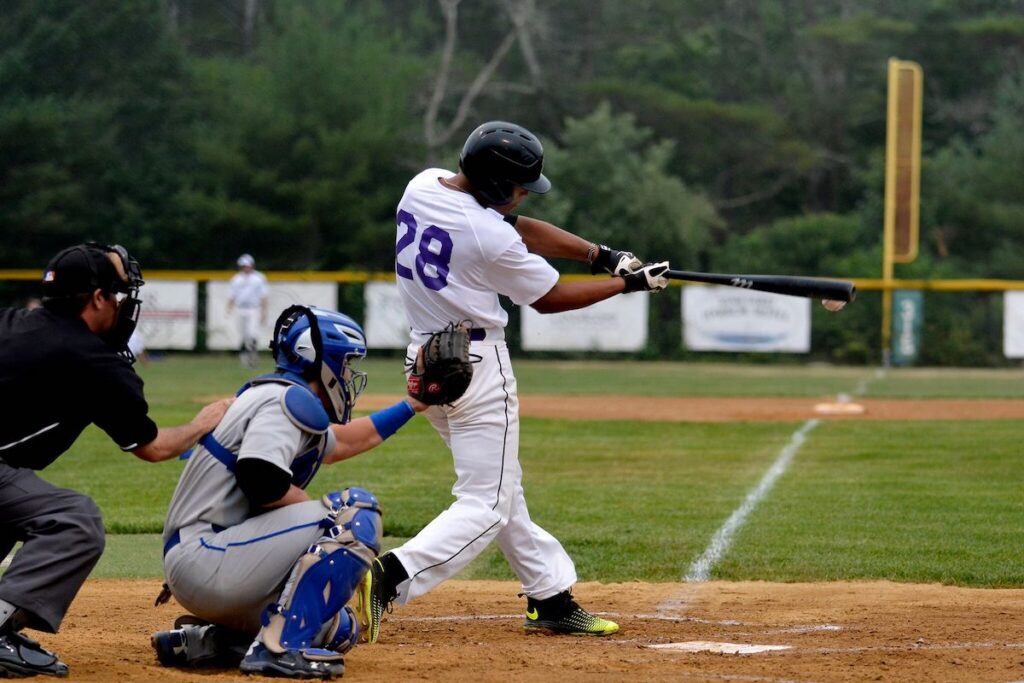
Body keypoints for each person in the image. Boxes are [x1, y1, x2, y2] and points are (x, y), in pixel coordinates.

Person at [361, 121, 669, 642]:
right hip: (478, 369)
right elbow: (547, 299)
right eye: (520, 186)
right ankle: (390, 576)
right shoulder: (488, 237)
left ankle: (551, 599)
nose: (524, 195)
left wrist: (600, 255)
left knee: (503, 491)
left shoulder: (424, 184)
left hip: (426, 360)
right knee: (485, 504)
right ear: (497, 185)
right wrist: (626, 285)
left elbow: (520, 226)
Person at [150, 305, 427, 680]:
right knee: (355, 513)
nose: (348, 375)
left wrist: (413, 405)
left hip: (216, 561)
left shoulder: (280, 399)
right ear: (320, 360)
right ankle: (278, 649)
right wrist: (334, 530)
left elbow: (341, 444)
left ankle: (208, 641)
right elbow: (260, 478)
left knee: (340, 628)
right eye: (344, 364)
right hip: (208, 559)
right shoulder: (287, 401)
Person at [0, 243, 233, 678]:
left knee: (12, 509)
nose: (127, 306)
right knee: (74, 520)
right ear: (98, 299)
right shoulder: (94, 361)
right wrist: (204, 421)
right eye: (121, 295)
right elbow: (154, 447)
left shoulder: (13, 323)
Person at [227, 253, 269, 368]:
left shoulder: (258, 278)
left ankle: (253, 356)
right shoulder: (236, 279)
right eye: (244, 266)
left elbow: (263, 296)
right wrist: (229, 308)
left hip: (253, 309)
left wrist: (264, 311)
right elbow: (232, 295)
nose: (246, 268)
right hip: (240, 309)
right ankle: (244, 357)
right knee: (242, 335)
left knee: (252, 333)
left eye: (248, 265)